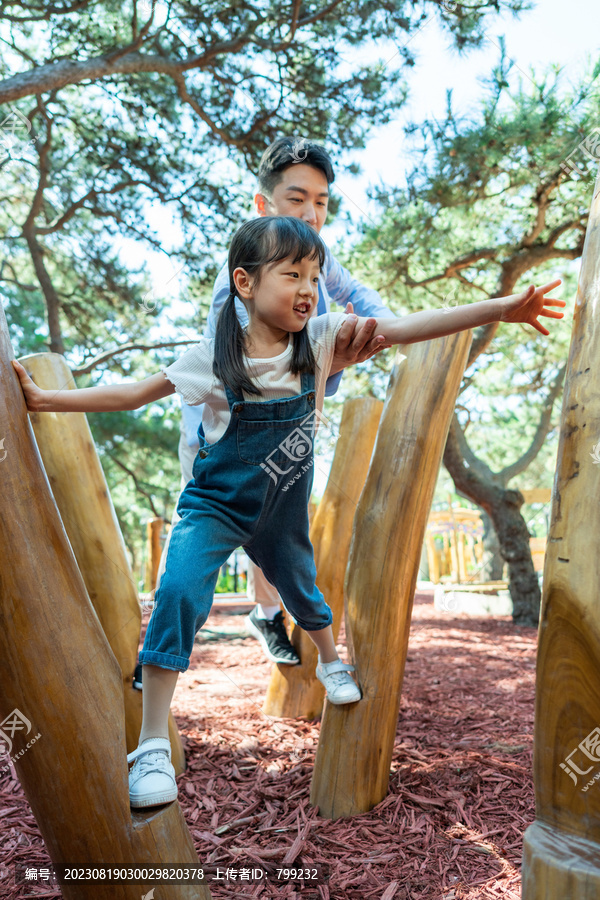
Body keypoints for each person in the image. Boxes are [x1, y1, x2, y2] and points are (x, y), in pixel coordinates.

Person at [13, 216, 564, 809]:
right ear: (245, 283)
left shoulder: (322, 339)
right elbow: (131, 393)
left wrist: (501, 307)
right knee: (177, 593)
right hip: (217, 505)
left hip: (281, 505)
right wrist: (46, 400)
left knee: (302, 588)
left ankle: (330, 663)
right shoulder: (212, 358)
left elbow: (407, 327)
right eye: (292, 274)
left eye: (315, 275)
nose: (308, 287)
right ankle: (150, 746)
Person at [145, 137, 397, 678]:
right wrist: (322, 358)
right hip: (226, 432)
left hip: (291, 424)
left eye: (322, 202)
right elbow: (241, 357)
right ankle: (171, 646)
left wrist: (381, 329)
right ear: (263, 205)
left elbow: (363, 297)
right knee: (213, 537)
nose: (311, 213)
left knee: (281, 529)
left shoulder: (313, 264)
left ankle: (269, 615)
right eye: (296, 198)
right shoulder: (247, 275)